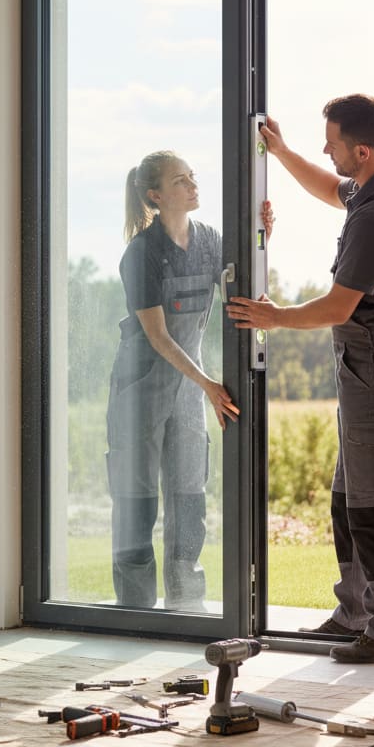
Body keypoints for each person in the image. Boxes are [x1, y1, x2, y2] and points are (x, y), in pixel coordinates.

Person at [227, 95, 374, 663]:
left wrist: (273, 317)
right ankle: (357, 612)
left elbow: (339, 306)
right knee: (350, 498)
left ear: (361, 151)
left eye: (332, 142)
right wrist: (282, 151)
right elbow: (325, 186)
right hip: (372, 366)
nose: (325, 149)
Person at [105, 150, 274, 611]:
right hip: (139, 391)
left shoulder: (210, 241)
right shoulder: (141, 254)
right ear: (157, 196)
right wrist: (209, 385)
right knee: (137, 505)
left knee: (188, 500)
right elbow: (158, 338)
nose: (193, 185)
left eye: (193, 177)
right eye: (182, 181)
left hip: (187, 388)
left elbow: (243, 299)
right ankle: (136, 616)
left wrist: (262, 238)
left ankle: (186, 612)